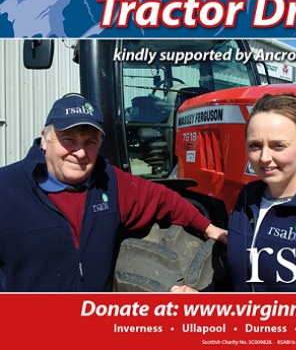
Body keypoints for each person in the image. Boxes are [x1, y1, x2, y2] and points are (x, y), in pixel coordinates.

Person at [0, 94, 225, 292]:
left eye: (90, 142)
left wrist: (208, 227)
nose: (79, 153)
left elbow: (162, 198)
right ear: (45, 139)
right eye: (68, 139)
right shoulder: (7, 188)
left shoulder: (111, 182)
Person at [173, 93, 296, 292]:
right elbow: (240, 279)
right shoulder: (248, 197)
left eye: (278, 146)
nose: (264, 158)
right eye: (255, 145)